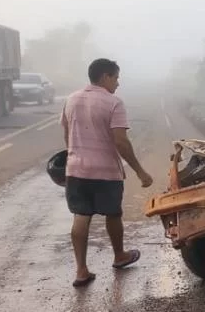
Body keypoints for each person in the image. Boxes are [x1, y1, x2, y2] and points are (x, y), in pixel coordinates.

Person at [60, 58, 153, 288]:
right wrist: (140, 172)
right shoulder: (114, 103)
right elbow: (121, 142)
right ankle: (119, 256)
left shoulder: (71, 99)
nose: (118, 83)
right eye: (116, 78)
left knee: (81, 216)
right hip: (105, 171)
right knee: (113, 214)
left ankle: (81, 270)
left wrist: (73, 157)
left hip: (76, 170)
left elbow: (67, 133)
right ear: (105, 77)